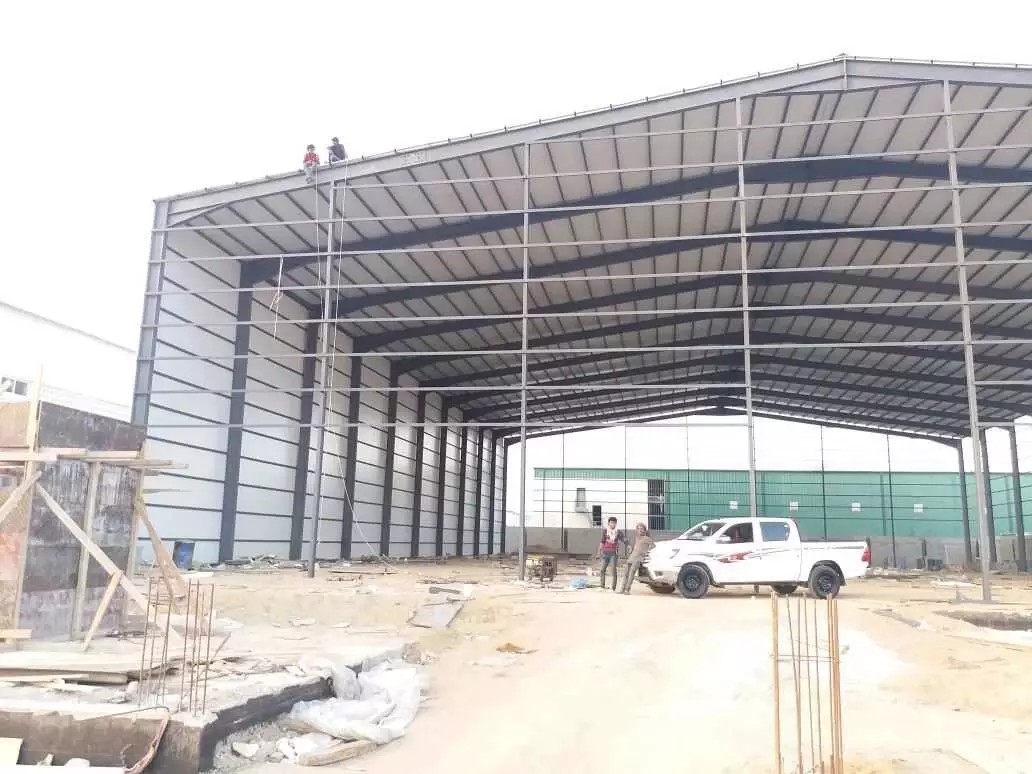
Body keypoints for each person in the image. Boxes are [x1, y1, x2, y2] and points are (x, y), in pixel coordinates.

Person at [620, 522, 655, 594]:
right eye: (639, 529)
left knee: (631, 574)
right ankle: (622, 589)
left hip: (638, 558)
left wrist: (645, 552)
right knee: (626, 574)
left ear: (644, 530)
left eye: (642, 529)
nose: (640, 530)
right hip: (631, 557)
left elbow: (653, 546)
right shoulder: (637, 537)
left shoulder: (646, 538)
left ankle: (627, 590)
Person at [597, 517, 626, 591]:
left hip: (613, 554)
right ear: (608, 523)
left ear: (616, 524)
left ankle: (613, 588)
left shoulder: (618, 532)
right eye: (611, 523)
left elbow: (623, 539)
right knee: (602, 570)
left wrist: (628, 545)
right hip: (605, 553)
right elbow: (602, 541)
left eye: (614, 523)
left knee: (613, 571)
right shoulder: (605, 531)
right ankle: (602, 586)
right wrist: (599, 552)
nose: (612, 524)